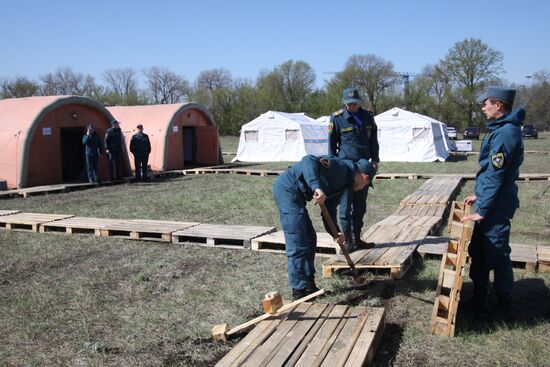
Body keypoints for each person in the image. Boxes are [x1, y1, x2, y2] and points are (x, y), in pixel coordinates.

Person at [273, 154, 376, 300]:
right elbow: (308, 160)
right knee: (298, 242)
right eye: (365, 185)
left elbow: (328, 212)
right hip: (287, 189)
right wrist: (317, 187)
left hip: (298, 197)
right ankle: (299, 292)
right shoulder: (340, 168)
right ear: (364, 177)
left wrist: (336, 233)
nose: (362, 189)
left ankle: (309, 285)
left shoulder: (345, 185)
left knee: (310, 239)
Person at [462, 86, 525, 320]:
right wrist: (480, 196)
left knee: (497, 253)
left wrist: (483, 209)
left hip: (496, 207)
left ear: (498, 105)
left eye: (486, 103)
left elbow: (498, 174)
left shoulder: (506, 133)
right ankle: (479, 298)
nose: (483, 107)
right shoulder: (500, 129)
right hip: (491, 201)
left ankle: (502, 302)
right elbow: (491, 171)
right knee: (478, 251)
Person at [329, 87, 380, 251]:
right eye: (349, 104)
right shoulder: (337, 118)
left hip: (363, 166)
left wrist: (375, 159)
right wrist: (334, 166)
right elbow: (332, 145)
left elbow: (373, 140)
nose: (351, 106)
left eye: (354, 103)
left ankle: (357, 238)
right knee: (345, 207)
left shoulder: (367, 116)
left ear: (358, 102)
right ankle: (348, 241)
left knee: (360, 206)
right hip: (346, 169)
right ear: (345, 103)